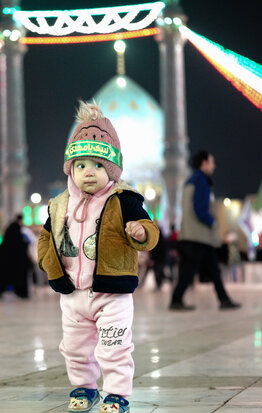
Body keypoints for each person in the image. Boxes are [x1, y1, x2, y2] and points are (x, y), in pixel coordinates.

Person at [37, 101, 159, 413]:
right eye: (81, 166)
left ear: (112, 170)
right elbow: (46, 237)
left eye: (97, 166)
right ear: (70, 169)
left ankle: (117, 394)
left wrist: (141, 233)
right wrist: (48, 264)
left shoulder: (124, 201)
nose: (88, 172)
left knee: (114, 346)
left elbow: (149, 228)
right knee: (76, 348)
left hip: (112, 291)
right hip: (74, 293)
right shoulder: (59, 205)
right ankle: (84, 388)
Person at [169, 150, 240, 311]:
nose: (214, 165)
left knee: (212, 268)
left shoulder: (191, 180)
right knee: (189, 270)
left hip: (196, 235)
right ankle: (176, 299)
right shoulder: (201, 180)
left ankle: (223, 298)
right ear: (204, 163)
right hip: (198, 235)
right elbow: (199, 208)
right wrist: (211, 221)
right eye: (211, 162)